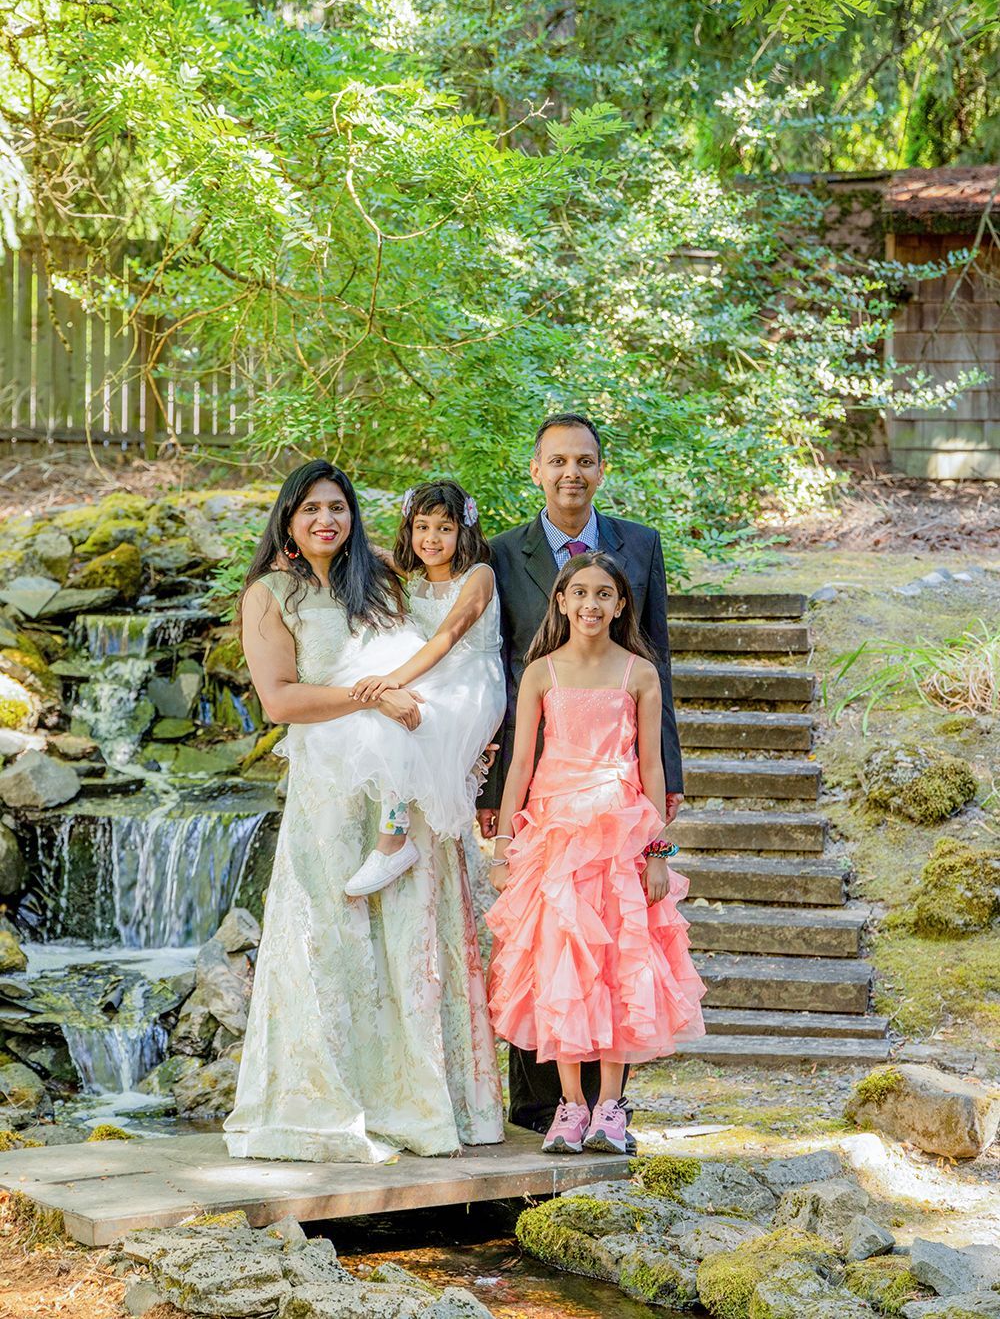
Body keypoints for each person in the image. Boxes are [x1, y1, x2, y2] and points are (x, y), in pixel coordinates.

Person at [223, 460, 504, 1164]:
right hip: (328, 791)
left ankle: (421, 1107)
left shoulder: (379, 578)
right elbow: (281, 701)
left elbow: (438, 655)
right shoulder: (269, 594)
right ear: (288, 519)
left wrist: (464, 735)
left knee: (410, 939)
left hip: (400, 785)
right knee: (331, 933)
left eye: (338, 508)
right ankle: (328, 1103)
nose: (327, 520)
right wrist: (378, 697)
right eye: (312, 508)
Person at [477, 411, 684, 1136]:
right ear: (536, 469)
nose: (572, 473)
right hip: (544, 794)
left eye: (585, 461)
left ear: (601, 468)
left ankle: (611, 1109)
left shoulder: (642, 547)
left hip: (619, 798)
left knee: (617, 943)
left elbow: (656, 660)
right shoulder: (502, 553)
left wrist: (668, 790)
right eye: (557, 461)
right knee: (546, 944)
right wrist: (494, 792)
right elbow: (494, 670)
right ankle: (544, 1112)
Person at [485, 552, 705, 1154]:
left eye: (603, 594)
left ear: (620, 604)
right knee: (562, 965)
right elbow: (521, 766)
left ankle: (612, 1106)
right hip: (555, 839)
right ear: (560, 601)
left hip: (619, 836)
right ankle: (570, 1107)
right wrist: (505, 843)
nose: (590, 604)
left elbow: (654, 765)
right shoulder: (540, 674)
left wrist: (658, 850)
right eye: (578, 593)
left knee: (616, 965)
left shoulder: (639, 673)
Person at [298, 478, 506, 897]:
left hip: (471, 679)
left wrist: (391, 680)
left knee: (407, 720)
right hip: (430, 671)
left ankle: (392, 841)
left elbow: (447, 638)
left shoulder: (478, 576)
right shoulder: (413, 575)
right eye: (422, 526)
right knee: (367, 711)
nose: (431, 538)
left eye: (445, 529)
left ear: (463, 532)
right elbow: (366, 552)